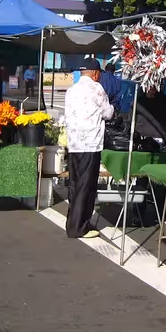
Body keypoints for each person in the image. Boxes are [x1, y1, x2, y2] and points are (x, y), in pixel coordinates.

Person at [64, 59, 114, 239]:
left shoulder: (71, 90)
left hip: (74, 143)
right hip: (90, 144)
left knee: (76, 184)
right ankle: (77, 227)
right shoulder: (97, 89)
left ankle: (75, 221)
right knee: (86, 186)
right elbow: (107, 113)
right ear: (96, 74)